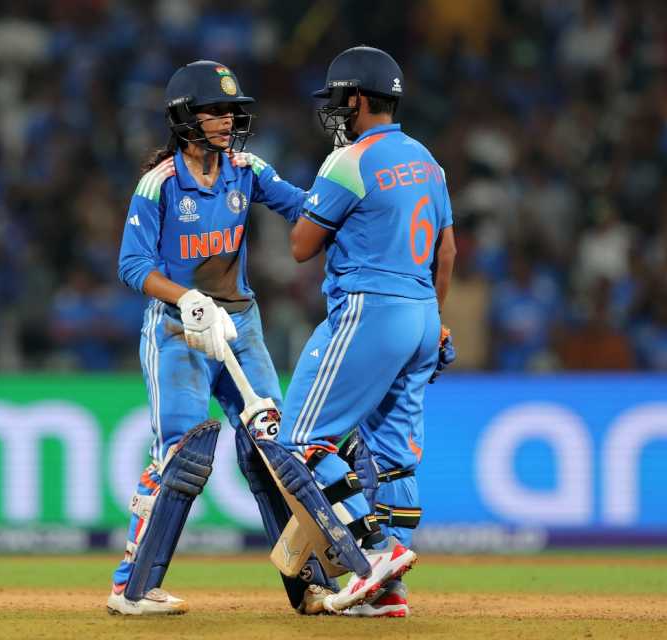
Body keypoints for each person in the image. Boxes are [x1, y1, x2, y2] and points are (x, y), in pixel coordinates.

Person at [108, 60, 329, 615]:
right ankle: (130, 588)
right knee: (180, 455)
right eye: (216, 110)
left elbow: (306, 209)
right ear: (185, 118)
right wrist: (185, 297)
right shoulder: (157, 184)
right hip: (177, 331)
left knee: (272, 448)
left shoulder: (245, 168)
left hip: (240, 326)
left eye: (234, 110)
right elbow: (132, 266)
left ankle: (308, 585)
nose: (229, 119)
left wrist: (357, 202)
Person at [277, 46, 457, 617]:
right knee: (394, 457)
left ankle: (375, 554)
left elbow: (302, 247)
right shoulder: (429, 161)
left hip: (370, 310)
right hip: (424, 312)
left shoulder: (349, 161)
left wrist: (312, 197)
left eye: (337, 101)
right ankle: (390, 594)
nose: (334, 112)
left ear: (357, 99)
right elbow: (447, 251)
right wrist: (435, 314)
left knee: (303, 442)